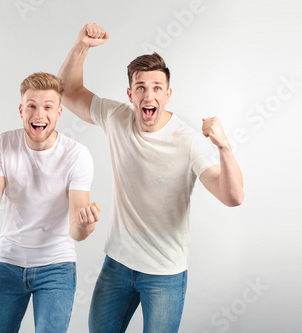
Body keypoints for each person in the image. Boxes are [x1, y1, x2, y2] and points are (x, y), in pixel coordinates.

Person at [58, 23, 244, 332]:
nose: (149, 94)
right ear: (130, 94)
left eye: (157, 87)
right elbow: (68, 91)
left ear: (168, 94)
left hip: (165, 274)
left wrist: (224, 147)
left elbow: (233, 197)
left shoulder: (188, 141)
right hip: (116, 264)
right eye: (141, 87)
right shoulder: (116, 117)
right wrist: (81, 46)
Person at [0, 72, 100, 333]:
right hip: (8, 264)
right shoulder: (4, 144)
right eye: (32, 106)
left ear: (59, 113)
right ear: (21, 110)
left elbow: (77, 232)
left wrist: (86, 224)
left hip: (56, 268)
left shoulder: (77, 156)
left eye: (48, 107)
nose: (39, 114)